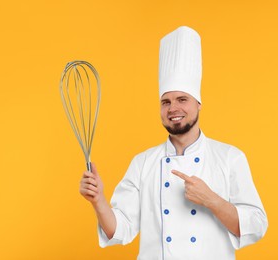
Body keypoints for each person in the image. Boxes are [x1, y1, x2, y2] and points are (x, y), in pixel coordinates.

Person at [80, 26, 268, 260]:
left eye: (182, 99)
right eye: (165, 102)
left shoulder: (230, 158)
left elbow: (256, 225)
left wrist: (211, 199)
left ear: (198, 103)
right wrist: (98, 201)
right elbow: (119, 230)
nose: (173, 109)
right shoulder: (143, 163)